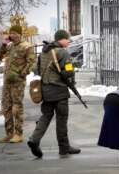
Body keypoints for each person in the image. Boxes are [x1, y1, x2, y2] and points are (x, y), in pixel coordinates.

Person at [27, 29, 80, 158]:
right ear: (60, 39)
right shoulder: (62, 53)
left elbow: (38, 70)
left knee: (46, 116)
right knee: (61, 119)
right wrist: (72, 82)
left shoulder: (44, 52)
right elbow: (68, 73)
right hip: (60, 91)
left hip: (46, 90)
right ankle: (64, 147)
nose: (68, 41)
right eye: (66, 39)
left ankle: (34, 139)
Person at [0, 25, 36, 143]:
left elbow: (32, 63)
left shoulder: (26, 47)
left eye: (13, 33)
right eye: (10, 33)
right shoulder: (9, 46)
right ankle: (9, 134)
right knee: (5, 108)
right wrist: (3, 44)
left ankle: (18, 134)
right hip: (7, 82)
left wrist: (21, 74)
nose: (11, 35)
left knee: (16, 108)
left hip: (18, 83)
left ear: (19, 34)